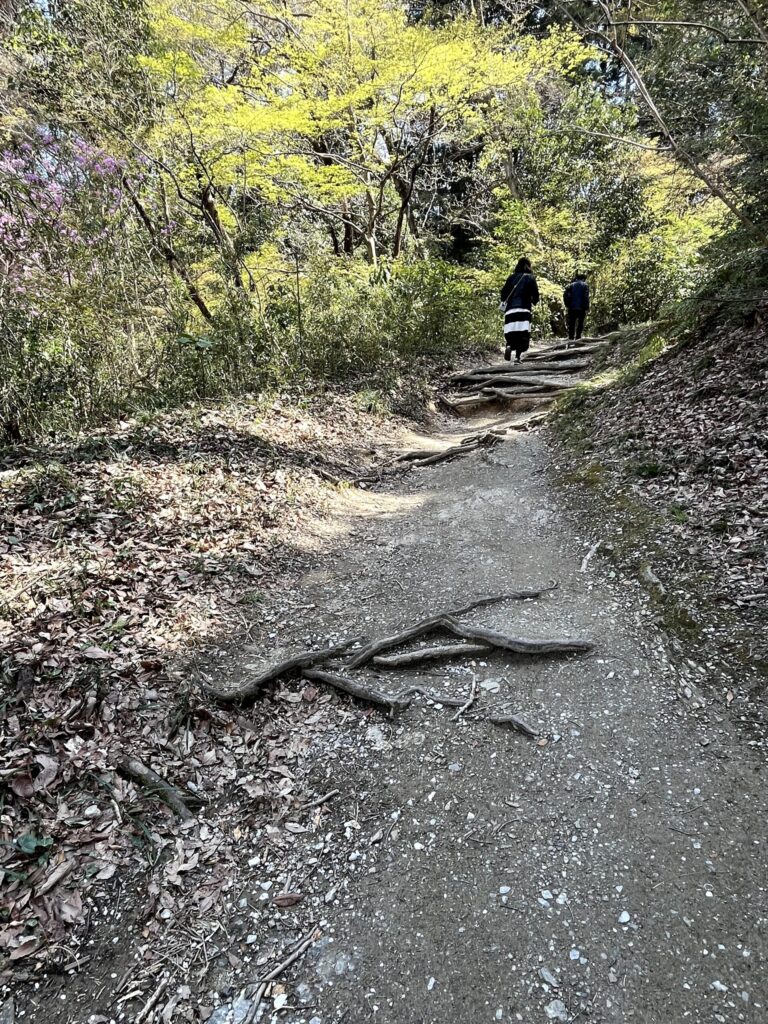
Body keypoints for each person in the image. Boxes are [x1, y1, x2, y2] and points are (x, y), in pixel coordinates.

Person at [499, 257, 540, 363]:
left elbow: (503, 294)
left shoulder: (511, 278)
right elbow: (535, 294)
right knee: (523, 334)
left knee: (511, 331)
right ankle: (517, 357)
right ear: (528, 266)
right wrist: (534, 301)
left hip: (510, 310)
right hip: (524, 309)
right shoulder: (530, 278)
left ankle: (509, 345)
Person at [563, 271, 590, 343]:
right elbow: (586, 297)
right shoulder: (585, 285)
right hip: (581, 308)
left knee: (571, 323)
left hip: (572, 307)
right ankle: (578, 338)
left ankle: (571, 338)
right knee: (580, 323)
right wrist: (586, 307)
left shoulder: (571, 285)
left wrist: (567, 305)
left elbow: (566, 296)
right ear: (583, 278)